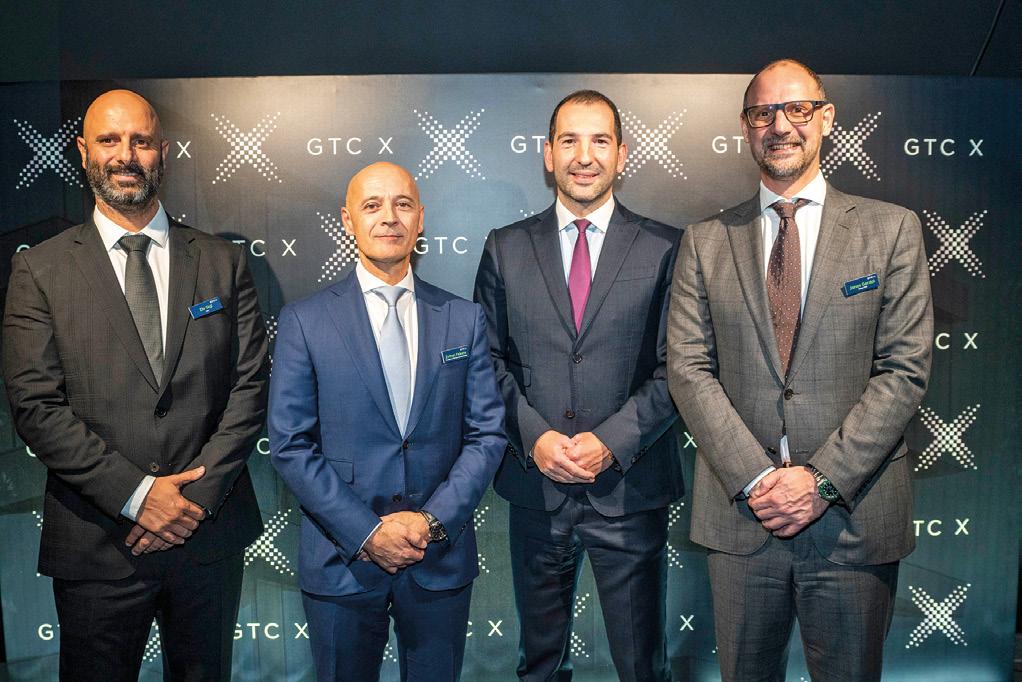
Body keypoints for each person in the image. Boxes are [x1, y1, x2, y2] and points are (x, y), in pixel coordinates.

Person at [667, 59, 933, 681]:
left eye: (797, 109)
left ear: (826, 117)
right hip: (743, 520)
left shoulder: (891, 230)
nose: (780, 125)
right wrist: (759, 478)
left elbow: (904, 369)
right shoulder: (705, 241)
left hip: (853, 520)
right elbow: (688, 368)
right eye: (764, 113)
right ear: (745, 126)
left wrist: (821, 481)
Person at [2, 89, 268, 681]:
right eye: (109, 140)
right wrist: (138, 495)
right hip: (97, 542)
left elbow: (250, 389)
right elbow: (36, 406)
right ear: (83, 151)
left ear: (163, 152)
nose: (126, 155)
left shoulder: (223, 262)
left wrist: (191, 502)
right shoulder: (40, 269)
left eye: (141, 140)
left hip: (207, 535)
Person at [474, 90, 683, 682]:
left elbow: (680, 368)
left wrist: (611, 442)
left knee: (643, 666)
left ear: (621, 155)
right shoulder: (505, 247)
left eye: (599, 141)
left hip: (630, 490)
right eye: (569, 141)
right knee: (539, 665)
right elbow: (485, 361)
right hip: (536, 491)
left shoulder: (667, 247)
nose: (583, 156)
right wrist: (535, 439)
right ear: (548, 154)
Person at [269, 161, 506, 681]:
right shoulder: (305, 321)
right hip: (342, 564)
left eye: (402, 204)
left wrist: (430, 521)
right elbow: (289, 444)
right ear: (348, 219)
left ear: (421, 218)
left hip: (438, 559)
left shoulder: (463, 318)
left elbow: (487, 435)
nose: (389, 217)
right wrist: (366, 532)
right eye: (372, 205)